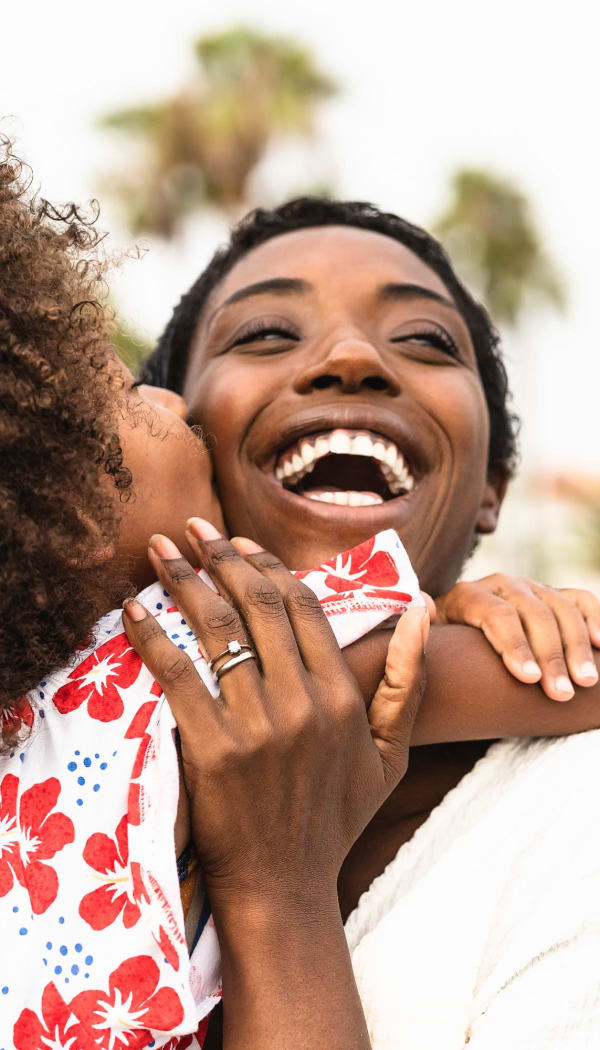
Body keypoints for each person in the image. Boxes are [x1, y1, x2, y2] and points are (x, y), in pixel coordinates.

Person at [138, 197, 600, 1046]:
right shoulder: (51, 725)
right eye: (265, 333)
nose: (350, 358)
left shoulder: (578, 819)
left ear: (493, 483)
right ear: (176, 431)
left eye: (425, 341)